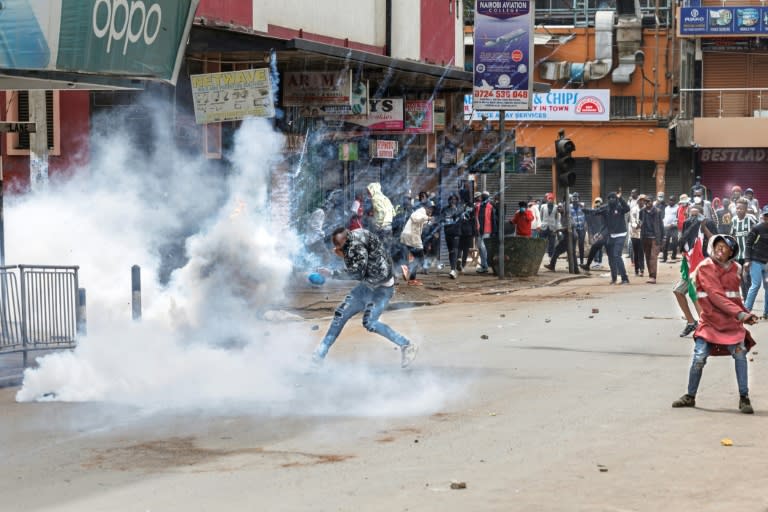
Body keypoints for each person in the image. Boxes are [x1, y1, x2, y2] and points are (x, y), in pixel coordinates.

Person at [671, 234, 757, 414]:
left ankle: (744, 397)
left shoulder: (736, 268)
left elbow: (735, 297)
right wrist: (741, 315)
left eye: (725, 247)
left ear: (731, 252)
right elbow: (715, 296)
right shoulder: (705, 267)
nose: (720, 249)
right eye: (718, 245)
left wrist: (746, 314)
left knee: (740, 356)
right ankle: (690, 395)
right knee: (699, 358)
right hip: (710, 322)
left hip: (731, 323)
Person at [312, 227, 418, 368]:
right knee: (341, 315)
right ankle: (319, 355)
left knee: (370, 322)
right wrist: (343, 255)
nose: (337, 248)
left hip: (382, 289)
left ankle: (406, 345)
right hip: (367, 285)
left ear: (345, 240)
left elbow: (357, 273)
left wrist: (331, 273)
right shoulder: (357, 234)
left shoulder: (355, 247)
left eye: (338, 245)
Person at [674, 204, 718, 337]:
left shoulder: (708, 223)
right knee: (678, 291)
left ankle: (705, 326)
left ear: (701, 214)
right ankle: (691, 322)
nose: (693, 218)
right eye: (691, 215)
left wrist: (704, 228)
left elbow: (716, 241)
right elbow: (684, 241)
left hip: (704, 263)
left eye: (696, 215)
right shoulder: (687, 223)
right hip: (690, 264)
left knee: (696, 294)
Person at [400, 200, 434, 286]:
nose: (431, 210)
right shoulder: (420, 212)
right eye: (430, 208)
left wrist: (429, 221)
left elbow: (421, 221)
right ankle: (406, 268)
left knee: (416, 258)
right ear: (425, 207)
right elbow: (414, 218)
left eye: (432, 209)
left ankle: (412, 279)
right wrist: (427, 218)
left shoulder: (422, 214)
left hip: (408, 236)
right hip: (412, 237)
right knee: (420, 258)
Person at [743, 205, 768, 318]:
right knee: (756, 285)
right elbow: (748, 244)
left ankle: (766, 312)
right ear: (763, 216)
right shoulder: (756, 228)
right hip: (756, 261)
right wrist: (747, 260)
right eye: (766, 215)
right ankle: (746, 311)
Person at [730, 198, 757, 300]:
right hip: (739, 254)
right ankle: (745, 297)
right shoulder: (734, 220)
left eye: (741, 209)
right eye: (737, 208)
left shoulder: (751, 219)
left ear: (745, 209)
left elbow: (760, 229)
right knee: (740, 276)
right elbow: (732, 236)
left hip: (749, 254)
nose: (738, 210)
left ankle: (748, 298)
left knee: (748, 277)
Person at [604, 191, 631, 284]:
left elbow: (627, 208)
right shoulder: (607, 209)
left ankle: (625, 278)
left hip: (621, 234)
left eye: (613, 198)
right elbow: (597, 212)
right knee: (611, 256)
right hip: (612, 236)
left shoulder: (619, 207)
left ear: (616, 199)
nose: (611, 200)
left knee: (616, 255)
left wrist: (621, 198)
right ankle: (614, 278)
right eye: (610, 198)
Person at [639, 194, 663, 284]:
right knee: (648, 256)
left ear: (652, 202)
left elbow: (661, 225)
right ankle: (650, 275)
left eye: (648, 201)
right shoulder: (642, 211)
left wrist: (662, 238)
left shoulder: (657, 211)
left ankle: (653, 277)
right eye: (645, 201)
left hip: (655, 237)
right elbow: (640, 221)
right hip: (645, 237)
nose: (647, 203)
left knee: (653, 257)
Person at [366, 182, 396, 253]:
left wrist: (378, 224)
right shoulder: (385, 198)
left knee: (379, 250)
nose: (368, 194)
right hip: (388, 227)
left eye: (369, 192)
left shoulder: (375, 199)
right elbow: (393, 213)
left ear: (373, 190)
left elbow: (381, 212)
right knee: (387, 249)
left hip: (381, 228)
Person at [441, 194, 463, 279]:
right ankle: (454, 266)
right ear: (449, 200)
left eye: (454, 199)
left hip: (456, 233)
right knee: (450, 251)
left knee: (454, 250)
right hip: (447, 233)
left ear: (457, 201)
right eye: (451, 199)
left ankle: (453, 270)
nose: (453, 201)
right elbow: (442, 220)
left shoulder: (459, 209)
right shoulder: (445, 209)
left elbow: (461, 220)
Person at [474, 191, 496, 273]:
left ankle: (485, 265)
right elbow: (475, 217)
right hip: (479, 229)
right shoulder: (478, 206)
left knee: (482, 247)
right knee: (480, 247)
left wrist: (494, 230)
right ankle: (484, 265)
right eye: (483, 197)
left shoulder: (490, 207)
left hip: (487, 229)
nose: (484, 198)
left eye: (485, 197)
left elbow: (493, 219)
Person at [539, 193, 560, 257]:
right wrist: (540, 225)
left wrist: (556, 228)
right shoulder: (543, 206)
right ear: (547, 199)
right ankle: (540, 254)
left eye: (551, 199)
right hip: (543, 227)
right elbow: (540, 216)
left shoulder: (556, 207)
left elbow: (557, 218)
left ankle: (550, 255)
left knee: (552, 243)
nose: (550, 200)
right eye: (549, 198)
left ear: (553, 199)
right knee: (542, 242)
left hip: (552, 227)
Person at [629, 194, 644, 277]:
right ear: (638, 201)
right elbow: (633, 221)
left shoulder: (645, 209)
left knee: (641, 252)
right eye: (640, 200)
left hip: (643, 234)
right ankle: (636, 270)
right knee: (635, 252)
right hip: (634, 233)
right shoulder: (634, 209)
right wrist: (637, 225)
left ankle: (642, 269)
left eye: (643, 200)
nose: (642, 202)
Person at [661, 194, 679, 263]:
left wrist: (673, 224)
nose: (671, 201)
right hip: (666, 227)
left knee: (675, 243)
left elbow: (678, 218)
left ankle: (673, 256)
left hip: (674, 227)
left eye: (672, 200)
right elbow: (665, 217)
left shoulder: (678, 208)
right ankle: (664, 257)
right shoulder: (666, 208)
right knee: (665, 243)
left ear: (675, 201)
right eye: (670, 200)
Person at [570, 194, 586, 265]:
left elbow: (586, 216)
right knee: (573, 245)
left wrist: (585, 225)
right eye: (574, 199)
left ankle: (581, 261)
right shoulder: (570, 208)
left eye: (576, 199)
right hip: (574, 229)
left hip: (582, 229)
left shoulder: (582, 207)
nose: (575, 201)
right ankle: (574, 261)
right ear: (572, 200)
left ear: (578, 199)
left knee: (581, 245)